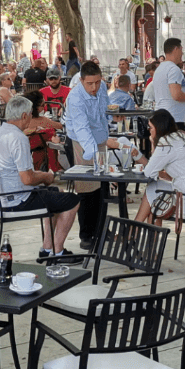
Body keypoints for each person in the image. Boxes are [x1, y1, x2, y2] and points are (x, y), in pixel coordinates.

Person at [0, 94, 80, 256]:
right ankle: (58, 251)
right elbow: (27, 179)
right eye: (30, 114)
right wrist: (45, 177)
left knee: (58, 194)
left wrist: (42, 176)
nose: (31, 118)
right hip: (17, 199)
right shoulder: (18, 137)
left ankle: (47, 248)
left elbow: (22, 173)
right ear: (24, 116)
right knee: (73, 200)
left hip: (1, 197)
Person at [65, 61, 130, 248]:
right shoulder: (75, 98)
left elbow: (104, 108)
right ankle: (87, 236)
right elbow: (82, 129)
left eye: (97, 83)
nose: (94, 87)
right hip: (81, 143)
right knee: (86, 190)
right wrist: (96, 158)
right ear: (81, 80)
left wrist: (113, 114)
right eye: (89, 84)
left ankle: (101, 230)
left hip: (100, 139)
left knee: (102, 188)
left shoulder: (101, 88)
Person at [133, 109, 185, 225]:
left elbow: (149, 172)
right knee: (156, 195)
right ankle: (140, 233)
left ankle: (133, 230)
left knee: (153, 188)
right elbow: (171, 174)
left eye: (151, 128)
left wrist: (153, 142)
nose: (149, 131)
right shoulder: (181, 137)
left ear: (159, 128)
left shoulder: (166, 142)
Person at [151, 38, 185, 127]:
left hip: (162, 116)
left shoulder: (159, 69)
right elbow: (176, 95)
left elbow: (168, 94)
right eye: (181, 49)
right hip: (173, 119)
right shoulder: (174, 69)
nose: (182, 53)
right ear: (176, 49)